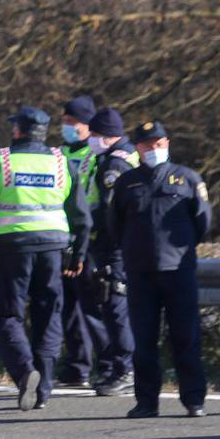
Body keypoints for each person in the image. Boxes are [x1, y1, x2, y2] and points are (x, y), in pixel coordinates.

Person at [0, 105, 90, 411]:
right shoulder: (62, 163)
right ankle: (43, 389)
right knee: (49, 315)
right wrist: (78, 255)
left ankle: (24, 372)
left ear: (18, 130)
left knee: (7, 315)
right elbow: (82, 215)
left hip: (12, 249)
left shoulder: (2, 160)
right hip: (53, 250)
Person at [109, 121, 212, 418]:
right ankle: (146, 402)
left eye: (158, 143)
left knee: (186, 336)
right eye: (146, 145)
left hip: (178, 269)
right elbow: (115, 225)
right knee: (143, 340)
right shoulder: (126, 183)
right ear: (137, 148)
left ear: (166, 143)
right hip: (140, 272)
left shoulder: (188, 179)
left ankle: (194, 399)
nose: (153, 149)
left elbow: (202, 223)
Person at [78, 107, 137, 396]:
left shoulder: (114, 164)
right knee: (111, 305)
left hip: (113, 246)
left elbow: (111, 209)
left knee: (116, 306)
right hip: (114, 244)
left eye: (94, 134)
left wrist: (88, 226)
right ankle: (117, 366)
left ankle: (125, 369)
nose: (90, 138)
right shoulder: (114, 157)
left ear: (106, 136)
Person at [56, 96, 99, 387]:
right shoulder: (56, 154)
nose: (67, 127)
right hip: (59, 238)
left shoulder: (96, 155)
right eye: (65, 122)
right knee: (67, 306)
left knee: (93, 306)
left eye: (72, 123)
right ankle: (76, 365)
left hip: (90, 238)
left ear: (87, 126)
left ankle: (107, 364)